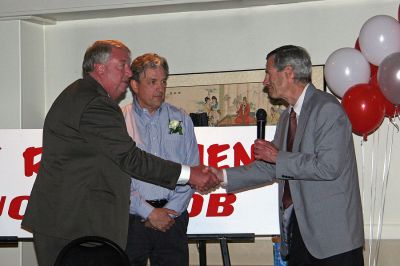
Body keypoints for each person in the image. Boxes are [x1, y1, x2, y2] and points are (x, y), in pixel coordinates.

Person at [21, 40, 219, 266]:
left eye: (162, 81)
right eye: (123, 65)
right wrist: (190, 175)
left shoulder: (82, 94)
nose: (127, 73)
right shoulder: (97, 104)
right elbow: (130, 158)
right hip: (72, 223)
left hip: (71, 221)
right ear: (100, 68)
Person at [212, 45, 364, 265]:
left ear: (289, 72)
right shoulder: (287, 118)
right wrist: (221, 176)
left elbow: (329, 166)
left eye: (268, 72)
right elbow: (270, 166)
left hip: (334, 241)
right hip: (299, 233)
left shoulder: (327, 109)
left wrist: (278, 157)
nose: (265, 81)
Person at [121, 53, 198, 266]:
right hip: (133, 220)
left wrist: (170, 212)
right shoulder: (119, 121)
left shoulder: (181, 118)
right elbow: (117, 177)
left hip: (173, 220)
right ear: (134, 85)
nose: (160, 88)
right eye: (152, 82)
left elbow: (192, 169)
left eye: (163, 82)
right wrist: (148, 212)